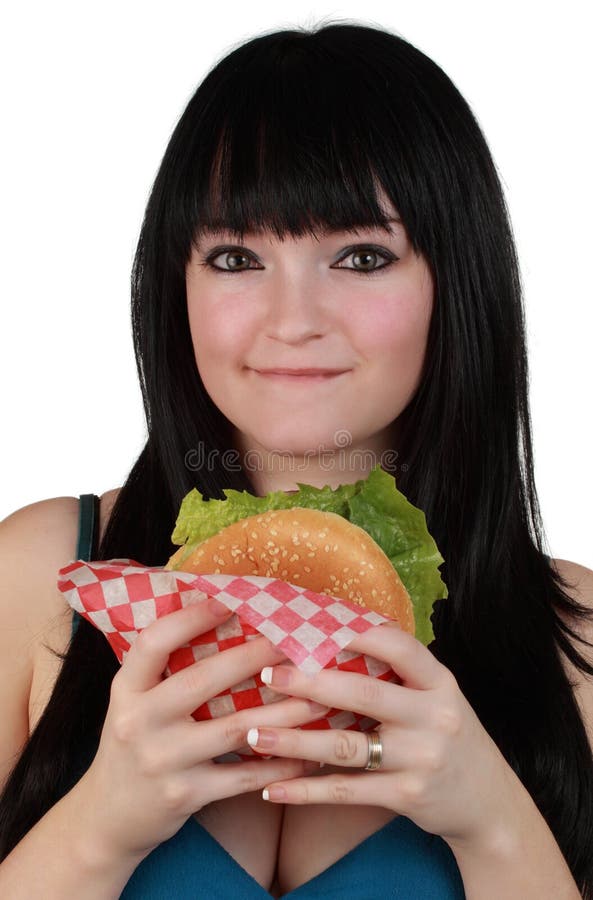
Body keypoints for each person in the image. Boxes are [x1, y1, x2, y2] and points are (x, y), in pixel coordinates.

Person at [1, 18, 592, 899]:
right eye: (236, 256)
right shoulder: (43, 571)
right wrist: (98, 828)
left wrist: (490, 818)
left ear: (454, 283)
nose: (291, 320)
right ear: (178, 289)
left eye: (360, 255)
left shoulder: (575, 638)